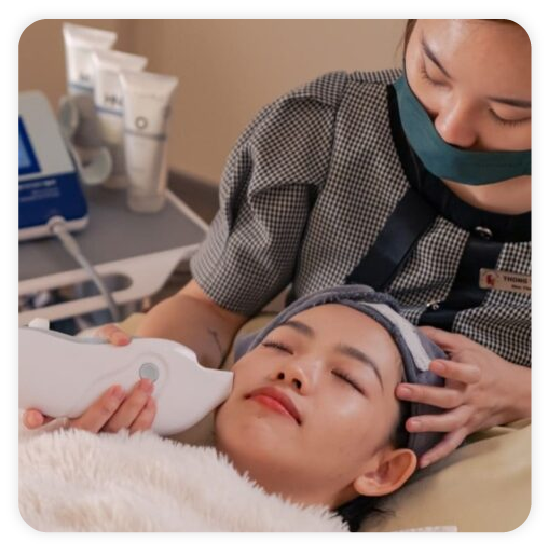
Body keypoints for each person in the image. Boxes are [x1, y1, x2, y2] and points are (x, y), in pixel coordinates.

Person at [25, 19, 532, 469]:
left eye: (509, 114)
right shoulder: (322, 126)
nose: (450, 128)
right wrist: (144, 378)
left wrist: (521, 392)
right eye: (433, 74)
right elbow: (209, 307)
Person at [20, 285, 449, 533]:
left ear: (383, 470)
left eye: (347, 377)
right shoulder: (110, 442)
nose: (294, 370)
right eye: (280, 346)